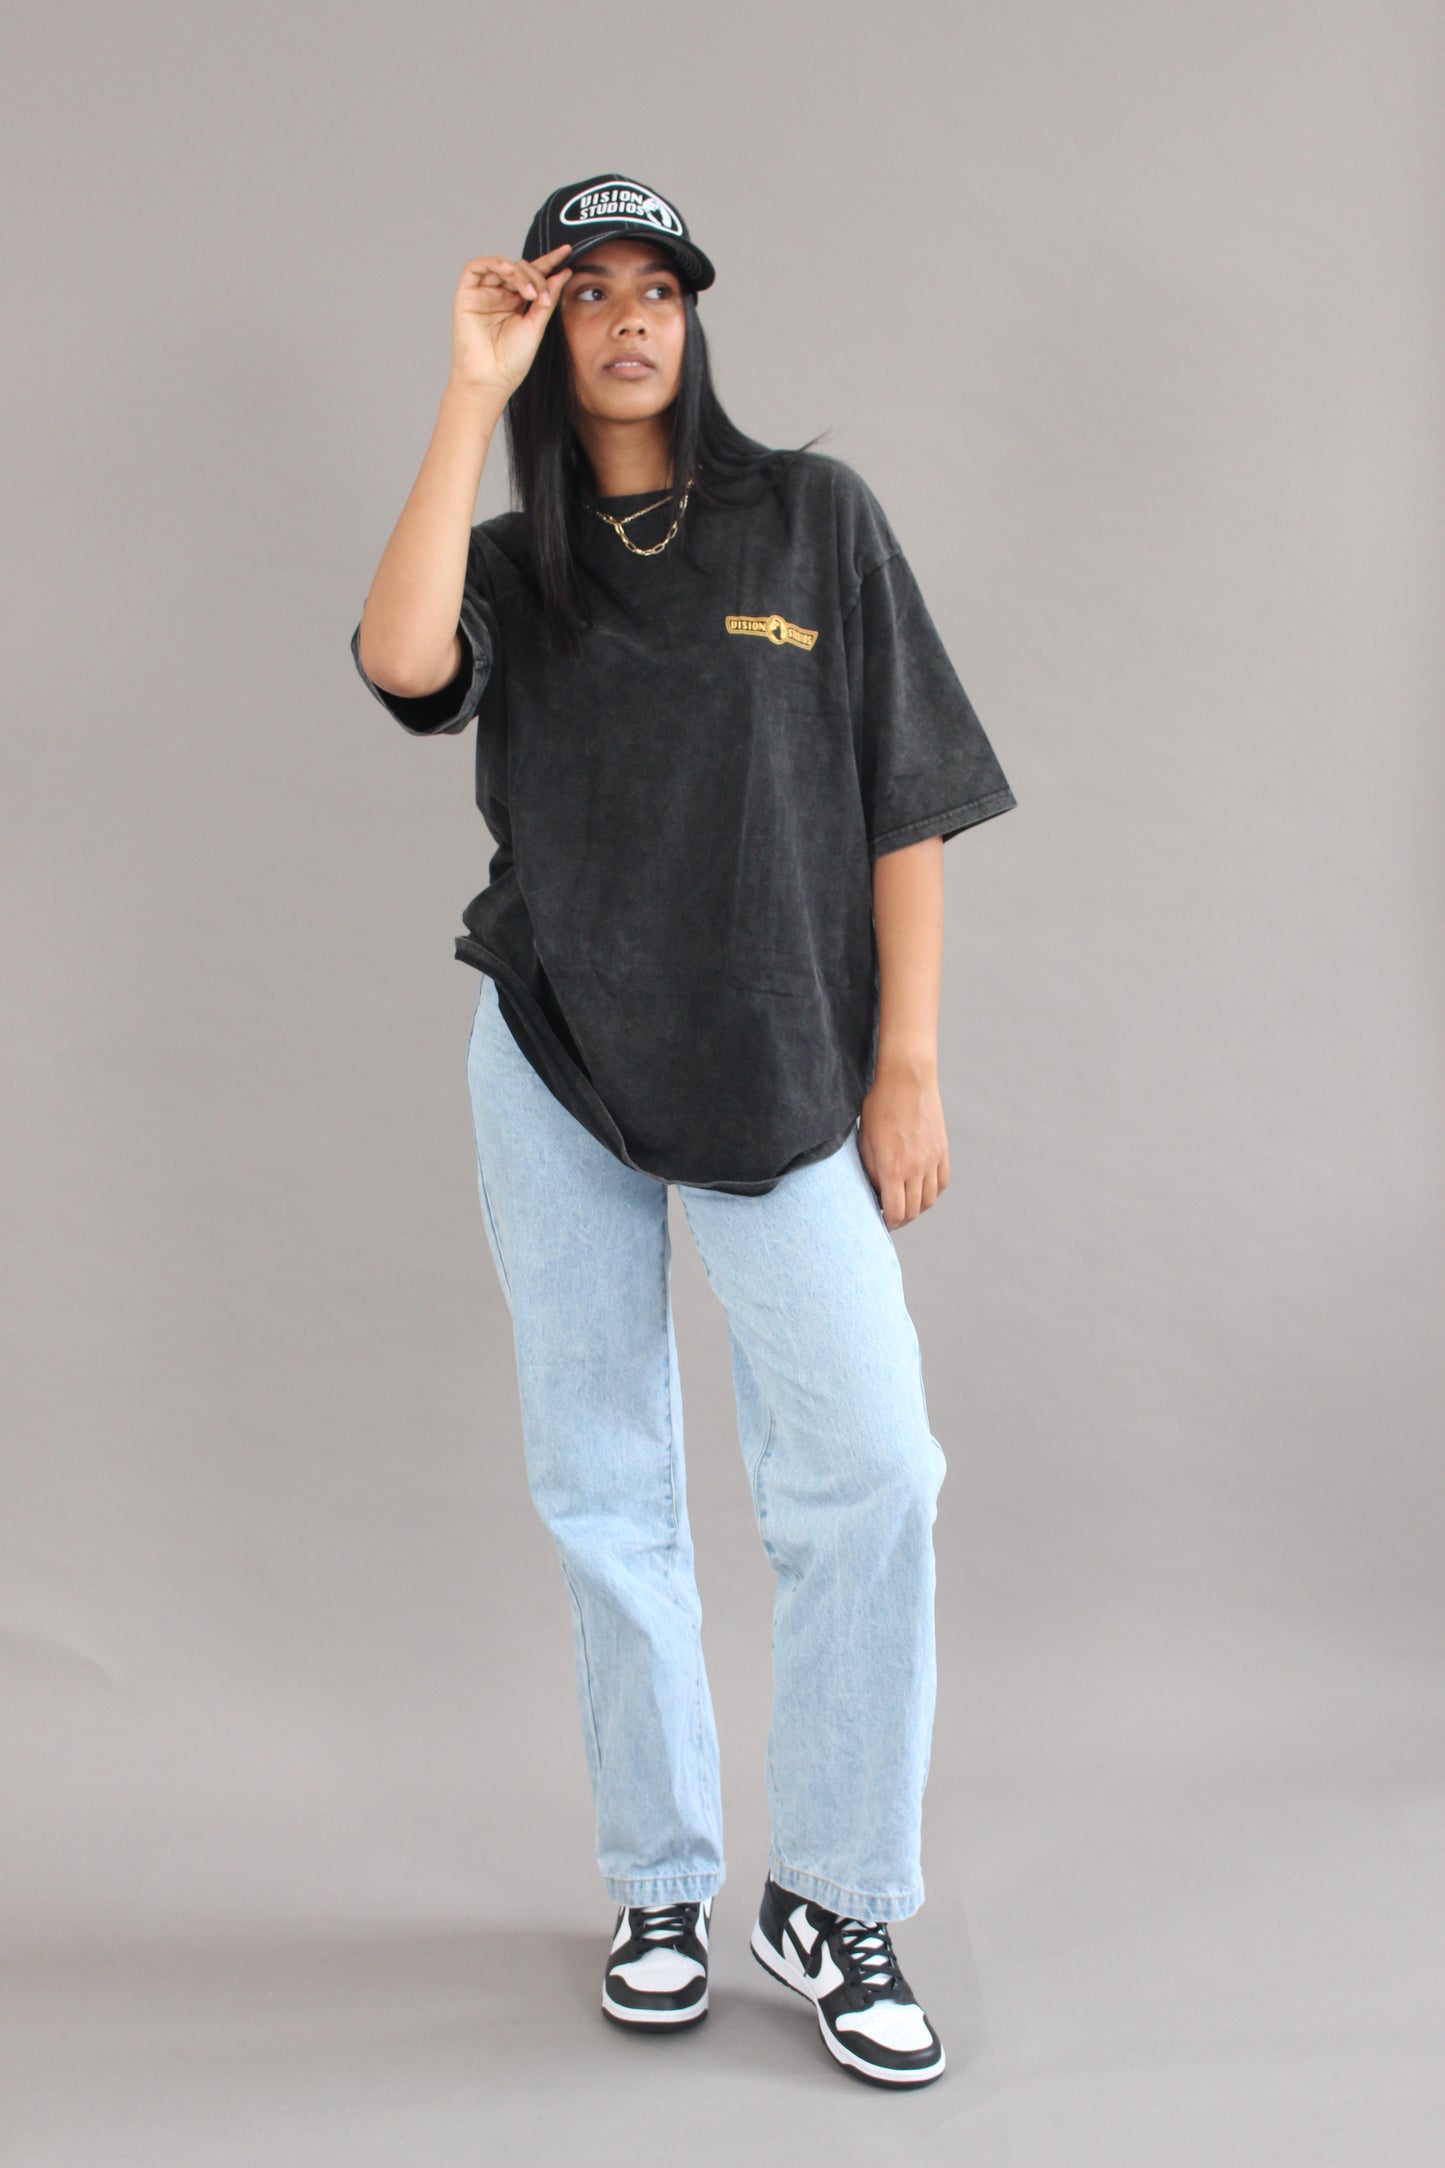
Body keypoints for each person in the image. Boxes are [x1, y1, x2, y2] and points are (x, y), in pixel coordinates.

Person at [350, 172, 1017, 2090]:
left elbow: (904, 796)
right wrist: (467, 393)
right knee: (606, 1492)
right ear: (547, 325)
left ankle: (833, 1895)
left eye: (658, 289)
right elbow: (400, 665)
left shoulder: (813, 517)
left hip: (780, 1067)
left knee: (870, 1475)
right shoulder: (510, 561)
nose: (630, 319)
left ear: (694, 317)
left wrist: (906, 1063)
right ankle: (657, 1884)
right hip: (556, 1055)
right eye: (589, 294)